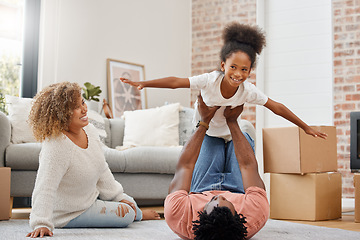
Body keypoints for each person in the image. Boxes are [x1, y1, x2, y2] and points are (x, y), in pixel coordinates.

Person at [120, 22, 327, 140]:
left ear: (250, 71)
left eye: (244, 69)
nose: (238, 74)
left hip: (229, 132)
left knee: (245, 140)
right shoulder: (209, 80)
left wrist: (305, 127)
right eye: (233, 67)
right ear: (223, 66)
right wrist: (144, 83)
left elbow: (277, 107)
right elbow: (176, 82)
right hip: (206, 131)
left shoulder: (248, 90)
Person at [26, 82, 160, 238]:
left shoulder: (89, 130)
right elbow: (45, 187)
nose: (84, 109)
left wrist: (118, 197)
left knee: (128, 201)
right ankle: (138, 215)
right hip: (67, 214)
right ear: (61, 114)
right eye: (76, 107)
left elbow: (101, 168)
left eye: (82, 102)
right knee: (127, 214)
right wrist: (41, 223)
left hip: (89, 200)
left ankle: (135, 212)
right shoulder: (56, 145)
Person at [164, 94, 269, 239]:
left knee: (210, 138)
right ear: (238, 216)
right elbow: (248, 166)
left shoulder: (178, 216)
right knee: (243, 134)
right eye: (226, 201)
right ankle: (235, 125)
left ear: (200, 216)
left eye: (213, 201)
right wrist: (232, 122)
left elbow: (185, 166)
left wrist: (204, 121)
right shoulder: (255, 214)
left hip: (202, 186)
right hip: (239, 188)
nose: (219, 196)